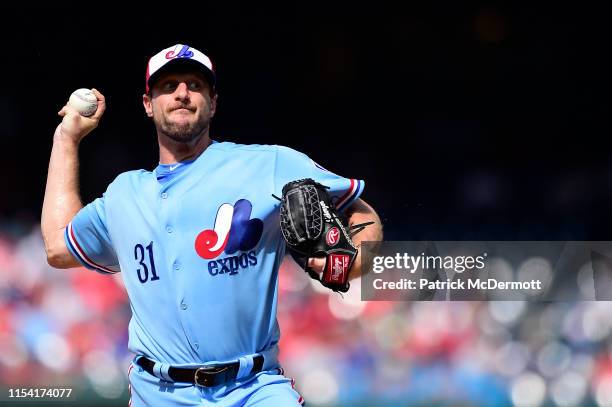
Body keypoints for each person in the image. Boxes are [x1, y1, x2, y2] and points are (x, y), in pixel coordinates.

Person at [41, 43, 383, 406]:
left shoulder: (269, 165)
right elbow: (58, 248)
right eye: (168, 86)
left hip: (254, 388)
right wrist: (66, 139)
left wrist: (351, 262)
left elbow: (362, 212)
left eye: (194, 84)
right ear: (147, 104)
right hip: (157, 392)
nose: (182, 93)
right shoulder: (124, 194)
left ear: (213, 102)